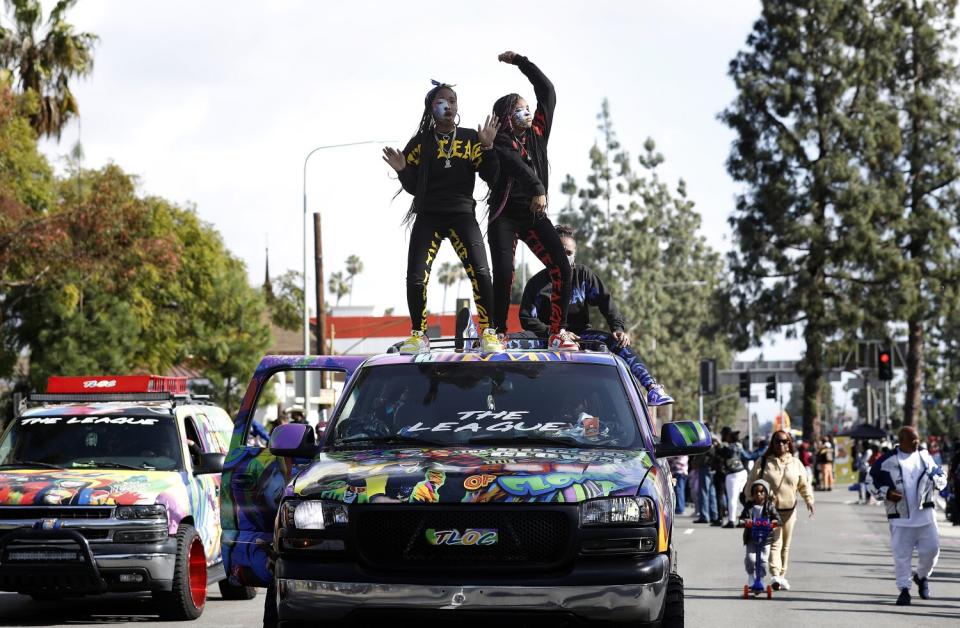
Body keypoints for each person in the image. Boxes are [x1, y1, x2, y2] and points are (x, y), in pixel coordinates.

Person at [383, 81, 503, 354]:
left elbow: (492, 178)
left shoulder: (472, 138)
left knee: (481, 272)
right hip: (429, 217)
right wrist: (403, 171)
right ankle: (419, 334)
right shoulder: (420, 143)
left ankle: (488, 332)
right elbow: (414, 187)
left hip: (462, 215)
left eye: (453, 100)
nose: (448, 105)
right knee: (416, 276)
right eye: (442, 101)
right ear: (431, 108)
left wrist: (488, 148)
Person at [519, 224, 673, 405]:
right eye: (561, 252)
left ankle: (652, 388)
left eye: (569, 253)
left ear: (575, 254)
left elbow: (605, 300)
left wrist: (617, 327)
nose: (565, 257)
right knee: (511, 341)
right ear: (549, 253)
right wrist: (555, 333)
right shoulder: (537, 284)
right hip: (548, 340)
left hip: (581, 338)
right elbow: (527, 318)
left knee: (616, 342)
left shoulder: (583, 275)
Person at [487, 51, 576, 350]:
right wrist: (539, 187)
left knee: (562, 268)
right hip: (505, 216)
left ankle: (556, 332)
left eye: (527, 108)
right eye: (519, 109)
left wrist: (522, 63)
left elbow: (547, 92)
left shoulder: (538, 133)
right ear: (506, 117)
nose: (526, 113)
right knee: (503, 274)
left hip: (534, 217)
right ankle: (497, 332)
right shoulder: (501, 140)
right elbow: (516, 165)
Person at [867, 426, 947, 606]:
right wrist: (886, 493)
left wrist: (937, 482)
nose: (917, 444)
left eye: (918, 440)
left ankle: (921, 576)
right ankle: (904, 589)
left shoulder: (925, 457)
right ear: (901, 441)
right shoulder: (887, 461)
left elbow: (941, 475)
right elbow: (870, 481)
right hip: (900, 518)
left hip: (926, 516)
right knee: (901, 556)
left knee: (932, 551)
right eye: (913, 441)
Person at [743, 429, 815, 591]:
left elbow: (804, 484)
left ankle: (782, 576)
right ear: (772, 444)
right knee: (775, 543)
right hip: (770, 512)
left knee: (786, 545)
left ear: (789, 444)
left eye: (784, 441)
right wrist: (749, 500)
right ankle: (775, 574)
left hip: (790, 511)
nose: (781, 444)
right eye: (778, 441)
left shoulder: (796, 463)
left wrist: (809, 500)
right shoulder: (764, 462)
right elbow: (752, 481)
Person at [739, 479, 782, 590]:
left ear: (766, 493)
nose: (759, 494)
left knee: (763, 560)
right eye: (756, 492)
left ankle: (761, 578)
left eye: (762, 492)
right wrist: (745, 521)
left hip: (765, 538)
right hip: (751, 537)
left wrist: (774, 522)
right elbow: (742, 519)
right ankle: (751, 576)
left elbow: (777, 519)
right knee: (751, 558)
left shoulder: (769, 506)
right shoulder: (749, 506)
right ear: (752, 494)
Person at [720, 427, 749, 528]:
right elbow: (747, 456)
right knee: (741, 497)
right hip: (743, 472)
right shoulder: (739, 446)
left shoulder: (726, 447)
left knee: (732, 498)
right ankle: (742, 520)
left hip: (733, 474)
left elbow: (722, 453)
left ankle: (731, 521)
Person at [694, 435, 721, 526]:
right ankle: (714, 515)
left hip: (705, 467)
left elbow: (699, 457)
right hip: (712, 468)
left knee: (704, 492)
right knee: (712, 493)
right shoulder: (715, 440)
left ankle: (705, 516)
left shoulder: (704, 440)